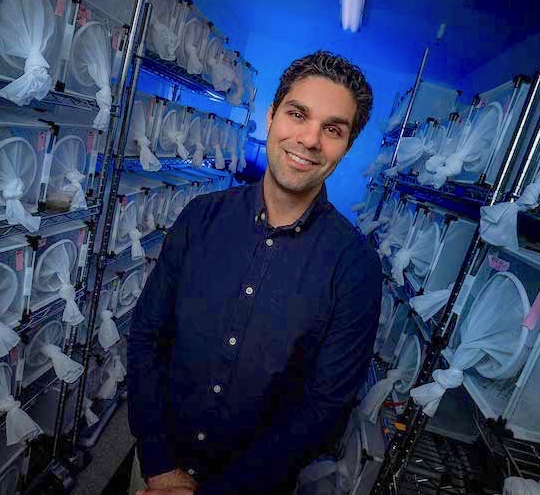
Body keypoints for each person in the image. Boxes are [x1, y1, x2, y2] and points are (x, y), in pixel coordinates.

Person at [128, 50, 383, 495]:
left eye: (332, 129)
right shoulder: (199, 218)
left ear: (346, 146)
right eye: (298, 114)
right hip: (157, 472)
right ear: (271, 114)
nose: (308, 139)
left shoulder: (356, 267)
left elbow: (324, 407)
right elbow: (148, 337)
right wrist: (159, 463)